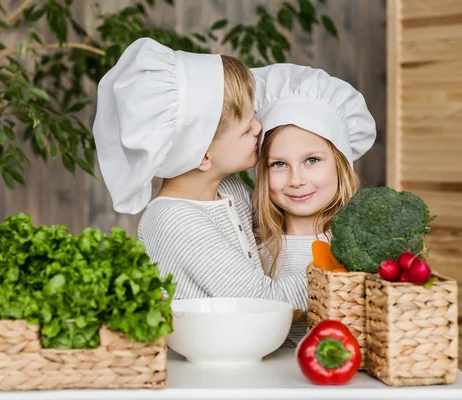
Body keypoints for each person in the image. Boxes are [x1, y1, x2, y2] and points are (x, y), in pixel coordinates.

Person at [92, 38, 309, 308]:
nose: (258, 127)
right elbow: (264, 301)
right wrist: (336, 272)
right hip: (207, 350)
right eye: (246, 128)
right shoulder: (173, 220)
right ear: (202, 154)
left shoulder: (230, 189)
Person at [250, 64, 377, 346]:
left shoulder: (362, 253)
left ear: (340, 165)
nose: (296, 180)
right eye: (279, 164)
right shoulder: (253, 251)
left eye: (312, 160)